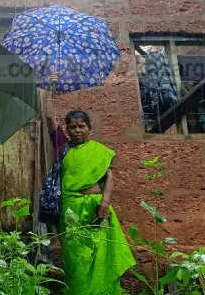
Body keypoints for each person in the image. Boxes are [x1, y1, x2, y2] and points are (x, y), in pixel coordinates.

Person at [56, 109, 135, 295]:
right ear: (67, 129)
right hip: (70, 211)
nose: (77, 130)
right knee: (76, 259)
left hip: (97, 208)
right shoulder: (63, 151)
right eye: (72, 127)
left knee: (101, 253)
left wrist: (105, 203)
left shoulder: (99, 151)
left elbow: (108, 178)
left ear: (89, 128)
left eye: (81, 126)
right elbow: (52, 127)